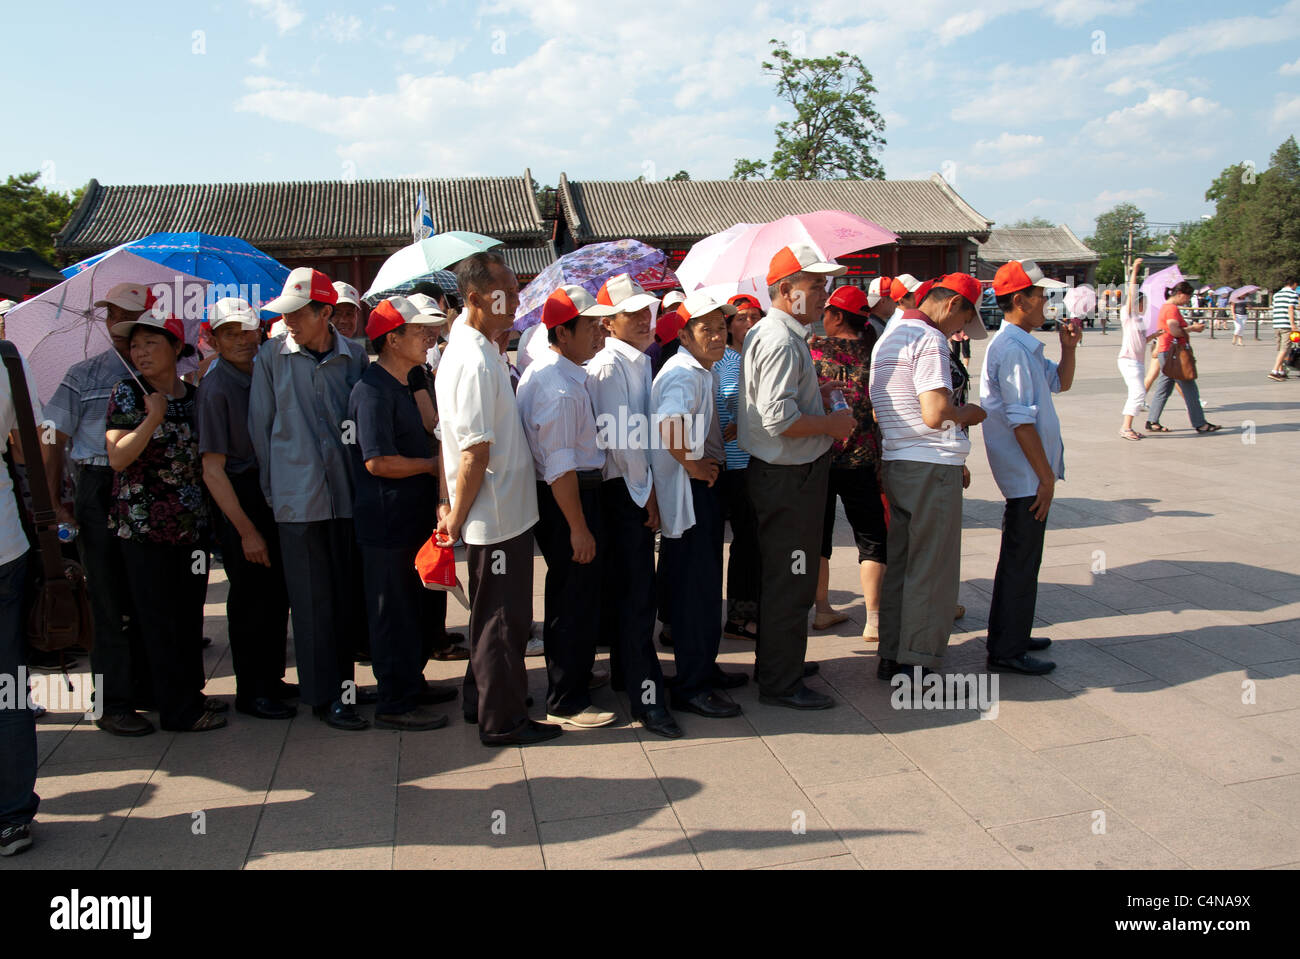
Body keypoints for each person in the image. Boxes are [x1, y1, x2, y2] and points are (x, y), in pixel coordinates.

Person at [435, 252, 556, 747]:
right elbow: (473, 453)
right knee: (502, 622)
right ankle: (503, 720)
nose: (516, 301)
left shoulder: (480, 348)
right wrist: (456, 520)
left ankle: (481, 699)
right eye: (505, 292)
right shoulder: (474, 358)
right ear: (475, 298)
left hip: (502, 508)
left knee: (494, 616)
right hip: (495, 514)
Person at [249, 267, 371, 730]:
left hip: (346, 497)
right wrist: (274, 491)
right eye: (287, 315)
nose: (290, 322)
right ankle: (324, 698)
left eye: (299, 313)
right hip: (297, 500)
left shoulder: (353, 359)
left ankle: (344, 688)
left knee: (343, 600)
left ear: (326, 312)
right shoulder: (271, 358)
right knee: (311, 602)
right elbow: (261, 431)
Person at [739, 242, 855, 710]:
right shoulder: (782, 339)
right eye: (817, 285)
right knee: (791, 578)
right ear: (787, 290)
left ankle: (778, 663)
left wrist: (817, 395)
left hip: (783, 475)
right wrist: (830, 423)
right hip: (789, 477)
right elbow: (778, 419)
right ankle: (781, 681)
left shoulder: (774, 333)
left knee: (785, 576)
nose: (826, 294)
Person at [43, 282, 154, 736]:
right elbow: (53, 437)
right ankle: (112, 702)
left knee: (148, 593)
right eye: (110, 315)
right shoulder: (83, 373)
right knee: (107, 597)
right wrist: (52, 502)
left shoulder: (165, 370)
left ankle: (152, 687)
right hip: (98, 484)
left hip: (151, 488)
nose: (117, 325)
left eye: (126, 315)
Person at [105, 313, 223, 732]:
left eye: (150, 344)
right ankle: (178, 710)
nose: (139, 353)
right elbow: (117, 457)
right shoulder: (127, 394)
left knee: (190, 616)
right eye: (135, 346)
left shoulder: (194, 397)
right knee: (157, 618)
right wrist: (151, 418)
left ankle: (187, 693)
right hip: (142, 530)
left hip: (190, 526)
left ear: (176, 348)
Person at [868, 273, 987, 682]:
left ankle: (892, 651)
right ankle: (918, 660)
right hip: (929, 463)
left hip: (899, 459)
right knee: (932, 568)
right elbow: (935, 413)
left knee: (902, 564)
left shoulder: (891, 334)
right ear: (953, 304)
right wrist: (967, 414)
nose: (958, 333)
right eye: (963, 322)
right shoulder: (930, 339)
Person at [348, 296, 457, 731]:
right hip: (386, 520)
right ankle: (394, 700)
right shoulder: (371, 391)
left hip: (410, 517)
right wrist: (433, 466)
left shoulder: (404, 381)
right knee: (392, 611)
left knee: (412, 605)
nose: (429, 336)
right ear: (392, 339)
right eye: (418, 331)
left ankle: (412, 681)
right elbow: (377, 462)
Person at [516, 285, 619, 730]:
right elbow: (559, 467)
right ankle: (566, 699)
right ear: (562, 331)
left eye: (601, 324)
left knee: (576, 594)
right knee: (573, 597)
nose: (601, 332)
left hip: (571, 492)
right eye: (591, 326)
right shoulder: (557, 388)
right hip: (568, 497)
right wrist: (578, 526)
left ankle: (573, 674)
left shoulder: (561, 374)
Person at [586, 273, 678, 739]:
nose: (645, 320)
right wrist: (650, 494)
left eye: (648, 311)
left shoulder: (639, 360)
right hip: (624, 489)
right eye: (633, 314)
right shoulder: (608, 367)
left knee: (634, 592)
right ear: (608, 323)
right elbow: (621, 441)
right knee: (637, 595)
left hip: (637, 485)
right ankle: (646, 697)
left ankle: (630, 675)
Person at [197, 298, 296, 720]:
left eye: (246, 331)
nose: (240, 340)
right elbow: (212, 469)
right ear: (214, 339)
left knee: (274, 594)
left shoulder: (258, 372)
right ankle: (252, 690)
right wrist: (245, 530)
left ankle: (271, 679)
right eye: (229, 333)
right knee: (251, 599)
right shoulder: (216, 387)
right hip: (239, 495)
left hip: (268, 487)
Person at [980, 261, 1079, 675]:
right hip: (1025, 474)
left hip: (1030, 472)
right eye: (1040, 296)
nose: (1046, 303)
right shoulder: (1012, 350)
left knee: (1024, 557)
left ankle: (1013, 634)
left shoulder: (1024, 346)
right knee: (1021, 558)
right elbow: (1021, 421)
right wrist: (1043, 478)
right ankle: (1006, 647)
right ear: (1019, 301)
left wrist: (1069, 348)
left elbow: (1061, 383)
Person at [652, 292, 742, 719]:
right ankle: (692, 685)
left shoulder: (698, 370)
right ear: (684, 334)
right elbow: (668, 424)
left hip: (699, 489)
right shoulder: (685, 373)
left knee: (705, 590)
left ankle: (704, 669)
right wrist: (692, 466)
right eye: (706, 329)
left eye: (722, 327)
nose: (718, 335)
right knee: (696, 593)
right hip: (690, 496)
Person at [807, 285, 886, 640]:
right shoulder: (875, 354)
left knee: (819, 536)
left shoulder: (812, 352)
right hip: (863, 457)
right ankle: (874, 618)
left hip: (820, 456)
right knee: (870, 536)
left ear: (837, 316)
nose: (822, 317)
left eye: (827, 311)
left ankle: (821, 609)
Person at [0, 348, 44, 856]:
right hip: (5, 543)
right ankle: (11, 816)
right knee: (8, 686)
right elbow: (25, 444)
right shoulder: (7, 359)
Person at [716, 294, 762, 642]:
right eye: (742, 318)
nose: (748, 323)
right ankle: (739, 616)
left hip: (754, 460)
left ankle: (748, 611)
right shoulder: (724, 361)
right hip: (733, 464)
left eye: (754, 316)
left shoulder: (755, 358)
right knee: (746, 541)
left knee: (753, 540)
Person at [1146, 281, 1221, 433]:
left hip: (1166, 352)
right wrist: (1192, 328)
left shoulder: (1166, 307)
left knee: (1164, 388)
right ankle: (1200, 423)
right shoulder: (1171, 308)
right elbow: (1174, 329)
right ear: (1180, 294)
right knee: (1190, 388)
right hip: (1174, 354)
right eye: (1187, 297)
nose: (1188, 300)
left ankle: (1152, 421)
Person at [1116, 259, 1152, 441]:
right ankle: (1125, 427)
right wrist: (1135, 269)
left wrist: (1156, 335)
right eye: (1143, 303)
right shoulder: (1128, 315)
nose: (1145, 307)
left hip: (1138, 361)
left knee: (1138, 392)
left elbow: (1142, 341)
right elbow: (1131, 293)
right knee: (1138, 393)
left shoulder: (1140, 321)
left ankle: (1127, 426)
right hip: (1128, 360)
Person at [1269, 280, 1298, 380]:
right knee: (1285, 349)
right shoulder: (1293, 294)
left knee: (1280, 349)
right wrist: (1293, 324)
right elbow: (1290, 309)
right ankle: (1274, 371)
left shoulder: (1277, 295)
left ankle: (1281, 371)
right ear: (1293, 284)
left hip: (1276, 324)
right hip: (1286, 325)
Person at [331, 281, 366, 345]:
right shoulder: (314, 352)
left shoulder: (358, 353)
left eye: (349, 314)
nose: (343, 320)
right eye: (337, 314)